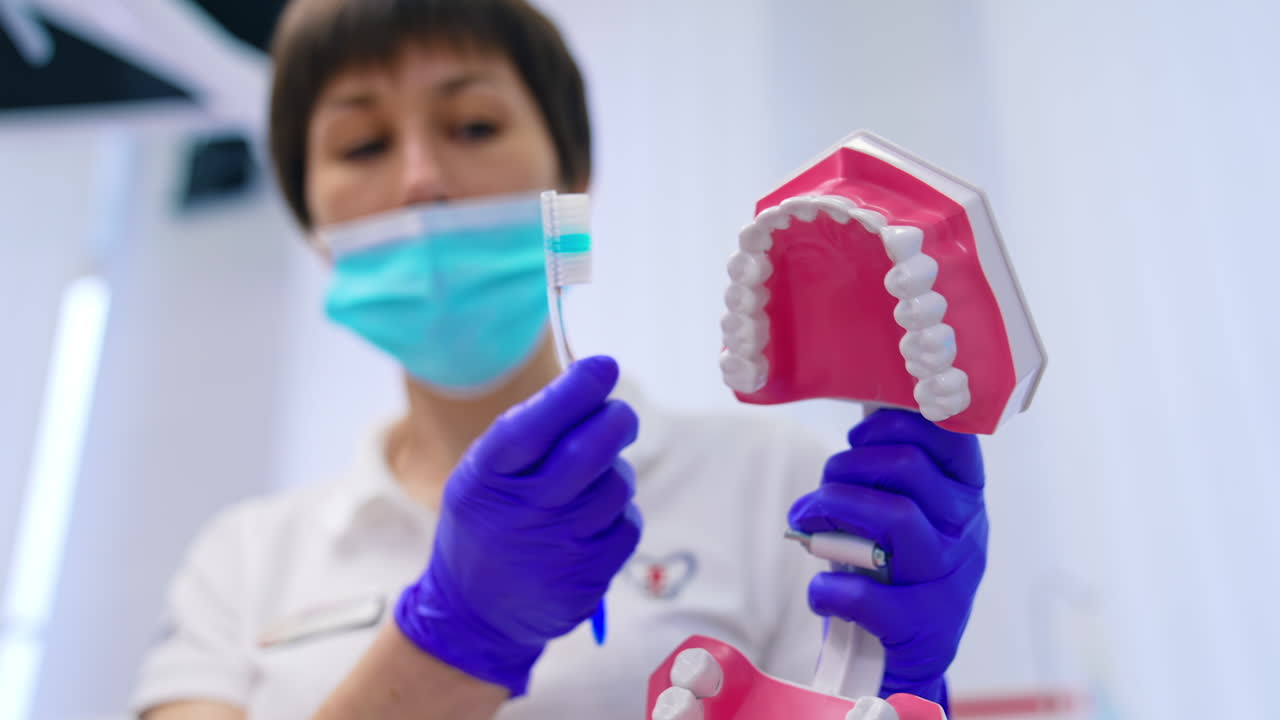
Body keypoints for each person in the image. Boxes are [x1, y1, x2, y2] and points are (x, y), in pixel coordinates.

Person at [130, 1, 989, 718]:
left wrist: (897, 684)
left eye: (473, 124)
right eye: (362, 146)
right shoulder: (239, 562)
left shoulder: (785, 495)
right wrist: (451, 636)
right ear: (312, 221)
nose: (422, 177)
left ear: (570, 178)